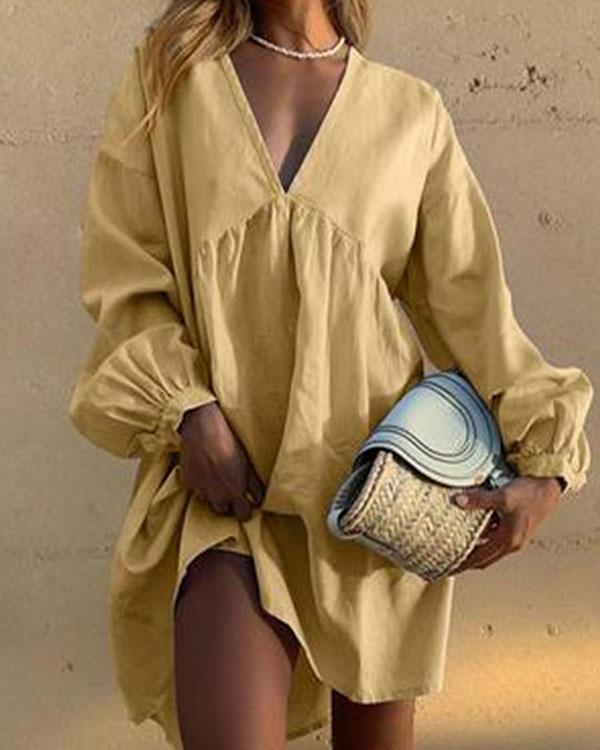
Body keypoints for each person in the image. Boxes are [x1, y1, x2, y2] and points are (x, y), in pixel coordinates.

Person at [67, 1, 594, 748]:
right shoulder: (170, 79)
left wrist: (549, 466)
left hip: (371, 508)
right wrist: (189, 411)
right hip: (230, 498)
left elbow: (475, 312)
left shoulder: (410, 114)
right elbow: (125, 275)